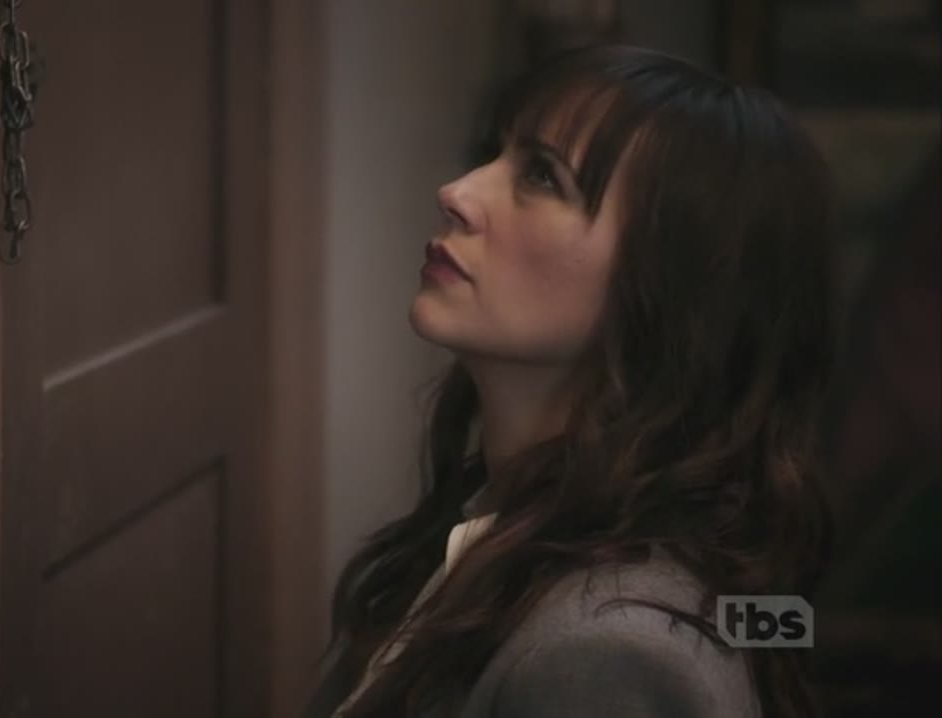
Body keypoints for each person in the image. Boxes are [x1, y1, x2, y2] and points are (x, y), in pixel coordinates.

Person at [302, 45, 835, 718]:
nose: (457, 193)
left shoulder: (603, 655)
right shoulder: (500, 527)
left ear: (668, 289)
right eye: (497, 154)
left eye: (543, 177)